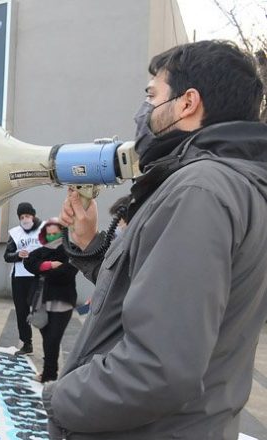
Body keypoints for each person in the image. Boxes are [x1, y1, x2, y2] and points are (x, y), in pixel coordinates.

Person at [44, 41, 267, 439]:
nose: (143, 111)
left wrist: (59, 400)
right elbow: (160, 296)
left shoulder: (199, 190)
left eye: (152, 95)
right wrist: (92, 243)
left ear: (187, 103)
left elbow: (157, 369)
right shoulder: (231, 183)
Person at [21, 218, 77, 383]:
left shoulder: (72, 249)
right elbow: (29, 262)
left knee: (53, 338)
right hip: (41, 301)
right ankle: (49, 373)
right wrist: (49, 265)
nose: (52, 236)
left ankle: (50, 375)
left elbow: (68, 272)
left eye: (56, 233)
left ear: (63, 232)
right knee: (47, 339)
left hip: (62, 302)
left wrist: (42, 270)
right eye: (49, 234)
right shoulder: (41, 249)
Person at [3, 202, 43, 355]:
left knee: (40, 310)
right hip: (19, 277)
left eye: (28, 215)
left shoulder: (43, 231)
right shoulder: (15, 233)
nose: (25, 219)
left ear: (33, 215)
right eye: (22, 216)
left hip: (37, 276)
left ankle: (49, 346)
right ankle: (27, 343)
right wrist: (18, 255)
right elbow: (7, 256)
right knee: (22, 311)